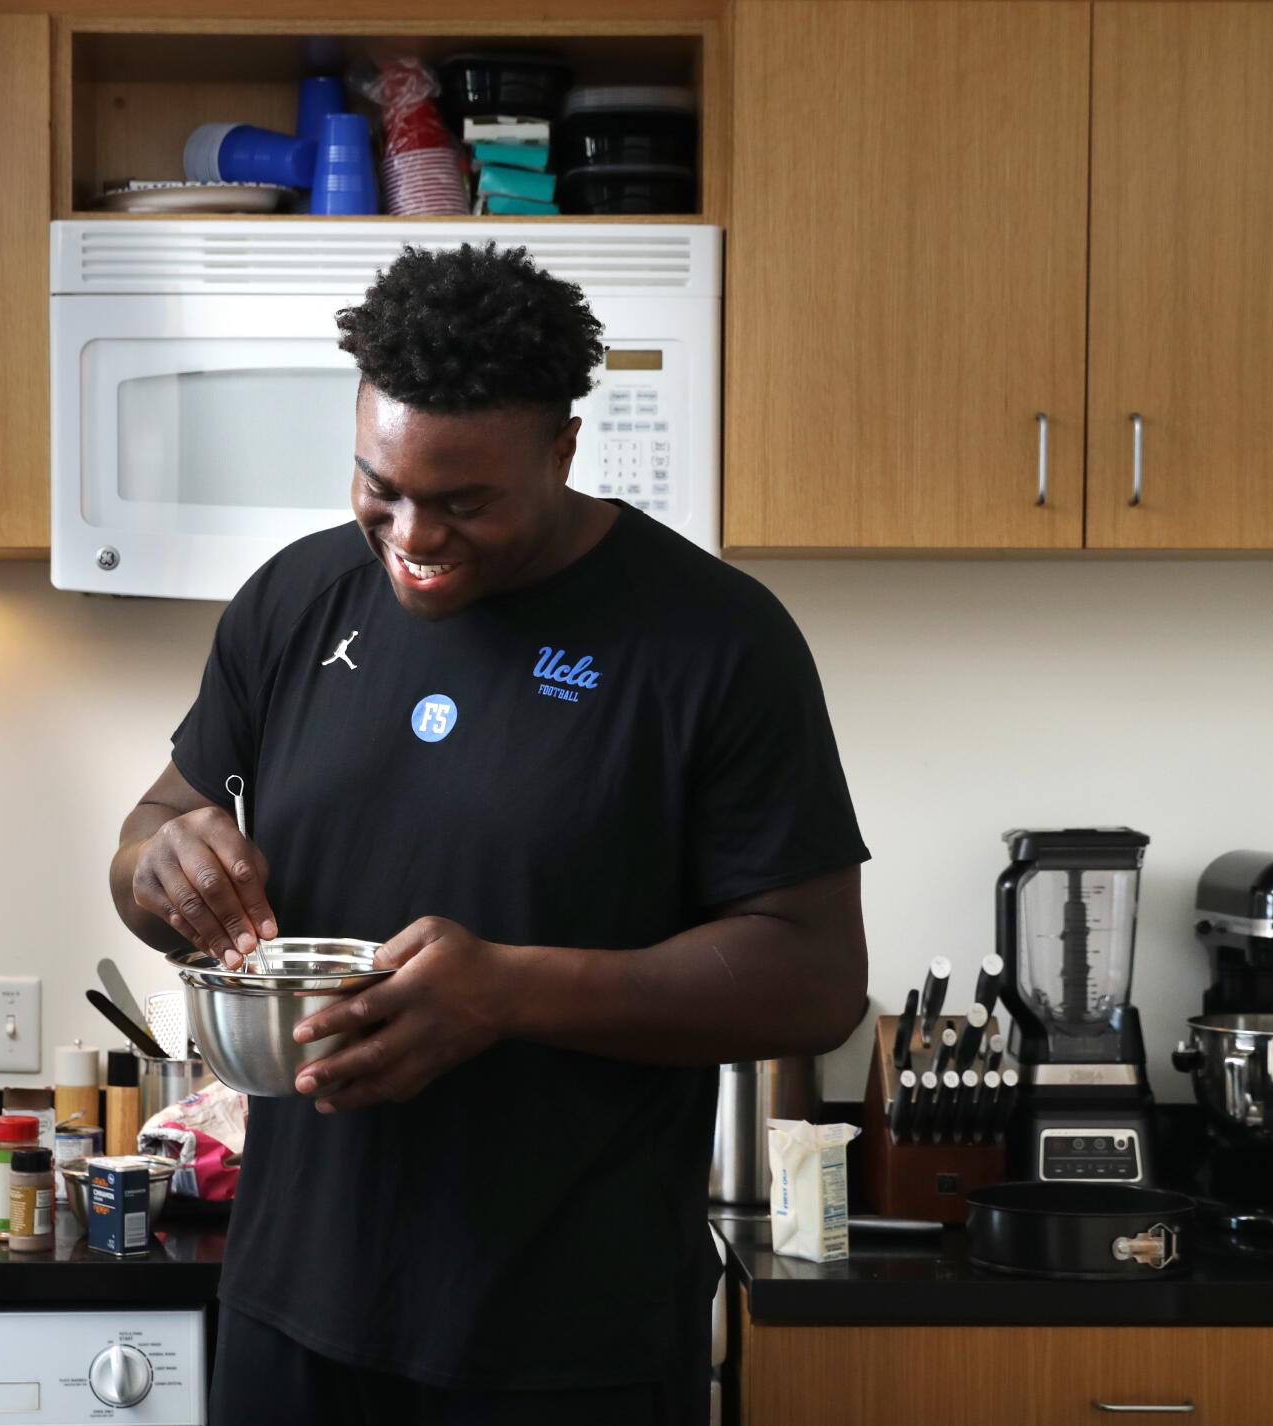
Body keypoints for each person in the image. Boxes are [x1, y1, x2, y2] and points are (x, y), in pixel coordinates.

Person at [110, 243, 869, 1424]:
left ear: (561, 450)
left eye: (464, 501)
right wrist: (156, 858)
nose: (411, 534)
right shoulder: (292, 600)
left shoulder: (713, 639)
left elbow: (814, 978)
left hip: (569, 1340)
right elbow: (158, 825)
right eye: (379, 485)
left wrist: (504, 991)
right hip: (290, 1312)